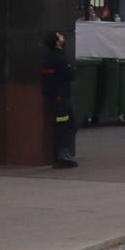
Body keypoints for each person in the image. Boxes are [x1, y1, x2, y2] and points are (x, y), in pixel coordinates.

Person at [40, 31, 78, 169]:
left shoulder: (48, 57)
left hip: (55, 96)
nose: (63, 37)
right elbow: (70, 74)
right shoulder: (59, 57)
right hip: (60, 97)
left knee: (64, 125)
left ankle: (61, 154)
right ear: (57, 42)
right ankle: (62, 155)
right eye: (60, 36)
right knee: (66, 126)